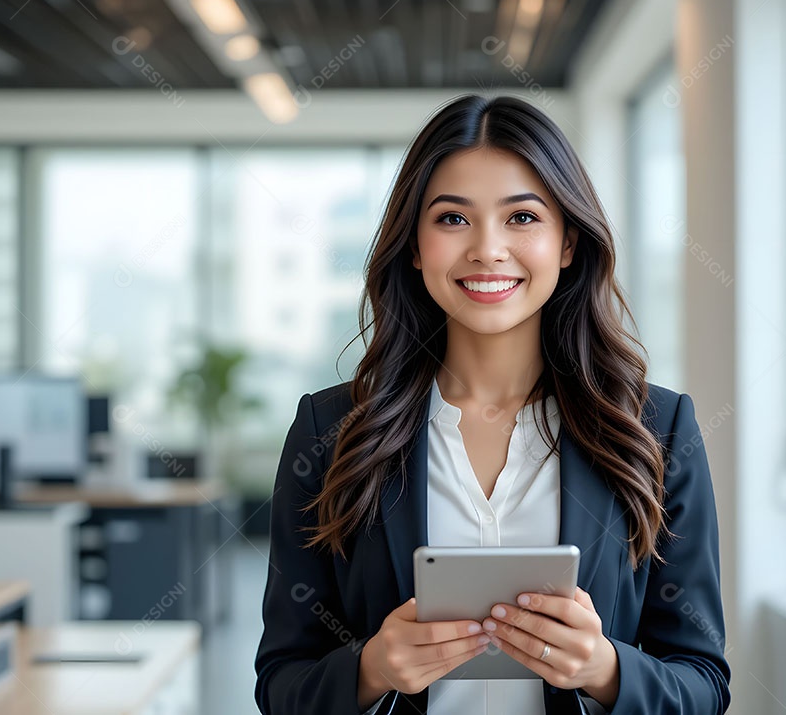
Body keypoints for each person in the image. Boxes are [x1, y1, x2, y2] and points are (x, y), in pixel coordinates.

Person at [254, 93, 731, 714]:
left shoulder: (656, 430)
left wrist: (605, 669)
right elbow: (281, 683)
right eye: (453, 219)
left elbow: (704, 683)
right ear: (416, 245)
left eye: (522, 218)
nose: (486, 249)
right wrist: (369, 670)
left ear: (567, 242)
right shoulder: (332, 430)